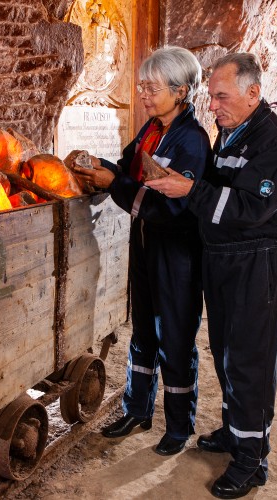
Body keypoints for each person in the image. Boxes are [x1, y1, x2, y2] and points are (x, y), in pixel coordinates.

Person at [146, 52, 277, 498]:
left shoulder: (274, 143)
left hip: (255, 263)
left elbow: (250, 209)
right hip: (223, 259)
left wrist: (190, 189)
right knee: (227, 353)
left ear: (253, 93)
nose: (211, 106)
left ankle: (251, 461)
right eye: (211, 97)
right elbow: (222, 189)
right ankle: (237, 432)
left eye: (221, 97)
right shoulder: (234, 131)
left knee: (251, 360)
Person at [73, 46, 211, 456]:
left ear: (180, 91)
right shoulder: (152, 129)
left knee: (176, 338)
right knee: (144, 333)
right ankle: (137, 409)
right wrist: (97, 165)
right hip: (147, 246)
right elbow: (127, 167)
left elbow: (172, 207)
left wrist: (113, 184)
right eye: (142, 87)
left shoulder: (192, 141)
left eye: (152, 88)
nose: (145, 96)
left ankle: (179, 425)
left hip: (176, 252)